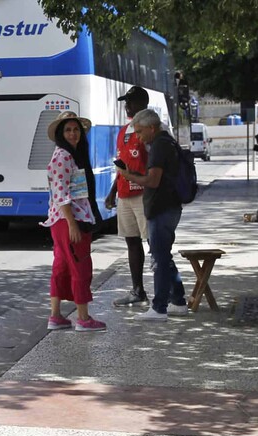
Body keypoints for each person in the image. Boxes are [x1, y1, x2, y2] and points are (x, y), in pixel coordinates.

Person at [116, 109, 187, 320]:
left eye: (140, 132)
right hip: (169, 206)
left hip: (162, 207)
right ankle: (179, 301)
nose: (138, 136)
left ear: (151, 127)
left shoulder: (158, 146)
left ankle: (159, 308)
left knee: (159, 258)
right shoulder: (167, 142)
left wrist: (129, 175)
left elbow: (153, 181)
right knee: (163, 255)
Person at [41, 111, 106, 332]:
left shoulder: (70, 155)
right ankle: (83, 318)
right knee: (80, 266)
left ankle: (56, 316)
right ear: (61, 133)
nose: (72, 134)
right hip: (70, 220)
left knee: (61, 266)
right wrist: (72, 224)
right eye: (68, 130)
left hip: (63, 220)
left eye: (76, 129)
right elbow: (61, 194)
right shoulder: (64, 157)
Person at [105, 86, 151, 306]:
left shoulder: (151, 131)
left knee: (154, 243)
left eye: (131, 102)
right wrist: (112, 191)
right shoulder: (123, 132)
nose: (127, 106)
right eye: (126, 102)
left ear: (143, 103)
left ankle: (170, 292)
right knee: (132, 242)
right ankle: (137, 290)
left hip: (145, 194)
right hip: (124, 195)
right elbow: (121, 165)